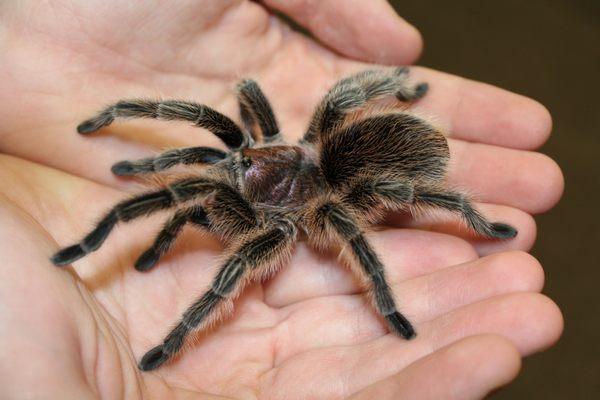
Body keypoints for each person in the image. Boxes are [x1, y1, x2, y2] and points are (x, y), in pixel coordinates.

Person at [0, 1, 564, 398]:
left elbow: (231, 221)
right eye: (238, 160)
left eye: (240, 159)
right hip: (320, 159)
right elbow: (227, 124)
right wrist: (128, 131)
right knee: (207, 142)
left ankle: (178, 335)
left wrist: (451, 235)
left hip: (333, 186)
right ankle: (107, 214)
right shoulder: (247, 153)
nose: (234, 163)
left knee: (231, 218)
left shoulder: (316, 210)